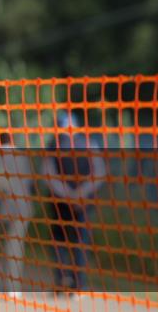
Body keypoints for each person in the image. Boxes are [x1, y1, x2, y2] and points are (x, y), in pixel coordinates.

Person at [41, 111, 107, 292]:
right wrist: (76, 195)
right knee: (67, 242)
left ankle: (75, 283)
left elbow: (99, 173)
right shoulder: (81, 144)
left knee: (72, 242)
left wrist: (72, 194)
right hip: (69, 204)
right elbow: (99, 174)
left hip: (72, 203)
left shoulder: (58, 146)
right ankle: (67, 282)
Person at [0, 132, 34, 296]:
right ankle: (12, 289)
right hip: (22, 207)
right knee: (15, 249)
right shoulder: (22, 156)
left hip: (2, 208)